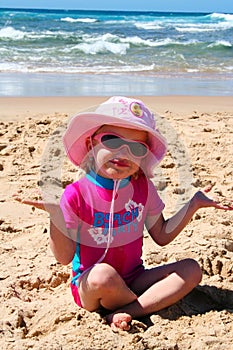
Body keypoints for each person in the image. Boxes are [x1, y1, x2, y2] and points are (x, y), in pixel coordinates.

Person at [14, 96, 232, 331]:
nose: (124, 152)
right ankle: (142, 303)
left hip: (134, 277)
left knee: (191, 269)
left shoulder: (143, 188)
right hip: (91, 285)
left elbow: (161, 235)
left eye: (136, 147)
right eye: (112, 140)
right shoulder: (76, 193)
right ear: (91, 145)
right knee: (103, 275)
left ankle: (129, 310)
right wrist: (56, 217)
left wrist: (194, 204)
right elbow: (64, 258)